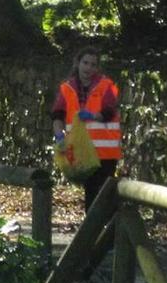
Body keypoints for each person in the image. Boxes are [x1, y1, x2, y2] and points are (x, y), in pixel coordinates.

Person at [51, 46, 121, 211]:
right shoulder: (67, 89)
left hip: (105, 153)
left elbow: (110, 111)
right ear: (78, 63)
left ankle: (105, 233)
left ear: (97, 68)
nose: (88, 68)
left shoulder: (107, 86)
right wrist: (59, 137)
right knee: (91, 194)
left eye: (93, 64)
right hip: (81, 151)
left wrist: (93, 115)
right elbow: (57, 115)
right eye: (85, 63)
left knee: (104, 194)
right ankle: (94, 234)